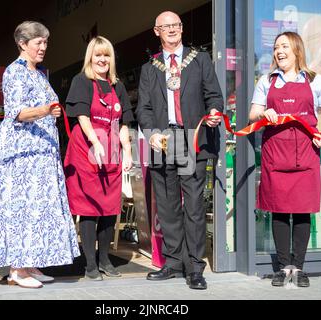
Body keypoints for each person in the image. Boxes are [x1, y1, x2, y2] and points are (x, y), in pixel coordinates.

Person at [0, 21, 80, 289]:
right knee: (22, 206)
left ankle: (29, 263)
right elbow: (17, 112)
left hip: (40, 152)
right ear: (22, 44)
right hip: (22, 153)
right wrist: (46, 111)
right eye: (38, 42)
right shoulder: (13, 72)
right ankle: (17, 268)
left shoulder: (38, 74)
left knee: (37, 207)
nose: (43, 47)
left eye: (45, 42)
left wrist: (50, 112)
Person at [136, 11, 224, 290]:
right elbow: (144, 108)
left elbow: (214, 95)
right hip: (163, 140)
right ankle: (173, 262)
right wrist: (151, 134)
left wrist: (214, 112)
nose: (172, 29)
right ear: (156, 31)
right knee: (167, 205)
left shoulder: (200, 60)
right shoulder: (150, 68)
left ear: (182, 28)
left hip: (193, 138)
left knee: (195, 205)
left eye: (176, 25)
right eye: (166, 26)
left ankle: (195, 267)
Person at [249, 31, 321, 287]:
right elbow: (253, 113)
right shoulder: (267, 81)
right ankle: (282, 267)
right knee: (278, 211)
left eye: (284, 46)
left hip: (306, 154)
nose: (279, 51)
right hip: (275, 153)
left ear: (297, 49)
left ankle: (299, 268)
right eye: (276, 47)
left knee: (301, 213)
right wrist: (264, 111)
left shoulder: (316, 81)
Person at [64, 36, 134, 281]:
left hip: (111, 151)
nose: (102, 59)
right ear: (90, 58)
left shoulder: (118, 86)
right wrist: (95, 142)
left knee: (109, 208)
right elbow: (82, 116)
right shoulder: (81, 81)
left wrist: (128, 152)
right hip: (86, 150)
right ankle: (90, 263)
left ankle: (105, 259)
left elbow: (124, 122)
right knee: (89, 208)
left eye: (106, 55)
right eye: (98, 55)